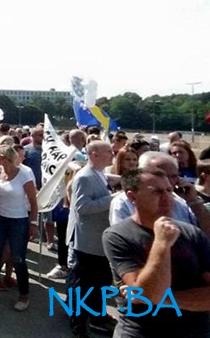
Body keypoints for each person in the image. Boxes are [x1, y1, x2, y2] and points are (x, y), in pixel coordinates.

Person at [103, 168, 210, 337]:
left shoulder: (192, 233)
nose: (167, 197)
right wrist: (162, 243)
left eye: (169, 190)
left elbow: (147, 297)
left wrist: (163, 299)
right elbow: (147, 293)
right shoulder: (118, 236)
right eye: (157, 192)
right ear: (132, 197)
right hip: (141, 332)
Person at [0, 144, 38, 311]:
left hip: (18, 220)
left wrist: (33, 223)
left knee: (18, 257)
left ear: (5, 157)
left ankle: (24, 295)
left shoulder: (24, 174)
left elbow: (33, 201)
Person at [66, 140, 118, 337]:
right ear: (94, 154)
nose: (112, 154)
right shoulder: (84, 177)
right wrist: (114, 198)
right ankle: (78, 323)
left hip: (98, 241)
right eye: (108, 151)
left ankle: (97, 317)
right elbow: (83, 207)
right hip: (88, 243)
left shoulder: (99, 173)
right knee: (84, 285)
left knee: (100, 282)